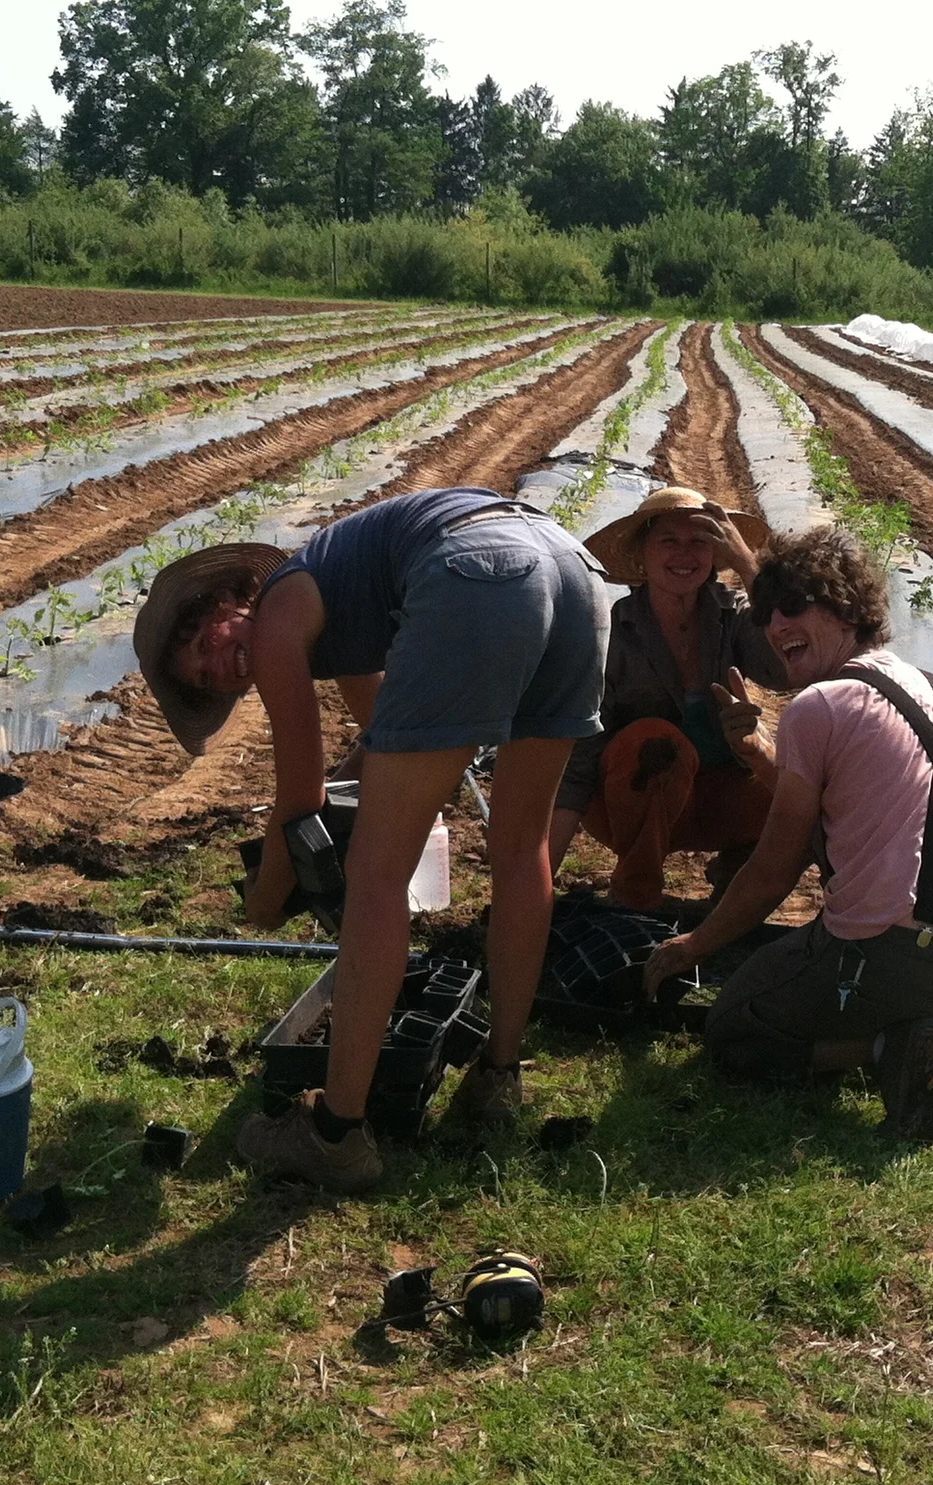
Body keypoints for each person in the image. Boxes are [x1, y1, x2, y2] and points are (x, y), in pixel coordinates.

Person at [133, 486, 610, 1192]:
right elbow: (382, 730)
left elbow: (300, 798)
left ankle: (335, 1130)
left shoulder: (278, 617)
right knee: (521, 847)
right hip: (571, 571)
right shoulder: (338, 588)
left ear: (231, 599)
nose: (227, 663)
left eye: (210, 639)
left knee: (377, 871)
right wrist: (380, 785)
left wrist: (265, 898)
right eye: (207, 674)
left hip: (480, 572)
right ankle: (498, 1078)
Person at [641, 525, 933, 1143]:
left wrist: (693, 947)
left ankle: (884, 1049)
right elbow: (839, 819)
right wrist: (758, 752)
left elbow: (774, 868)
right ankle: (902, 1032)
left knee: (734, 1028)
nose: (776, 625)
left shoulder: (820, 705)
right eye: (765, 614)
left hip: (894, 960)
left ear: (845, 608)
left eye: (793, 605)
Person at [550, 488, 790, 911]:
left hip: (716, 797)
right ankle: (636, 894)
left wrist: (748, 566)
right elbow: (581, 757)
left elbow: (788, 662)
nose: (685, 554)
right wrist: (536, 876)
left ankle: (739, 878)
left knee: (798, 776)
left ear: (717, 554)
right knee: (657, 743)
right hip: (632, 801)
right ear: (642, 555)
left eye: (700, 541)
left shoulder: (732, 615)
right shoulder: (612, 634)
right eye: (669, 541)